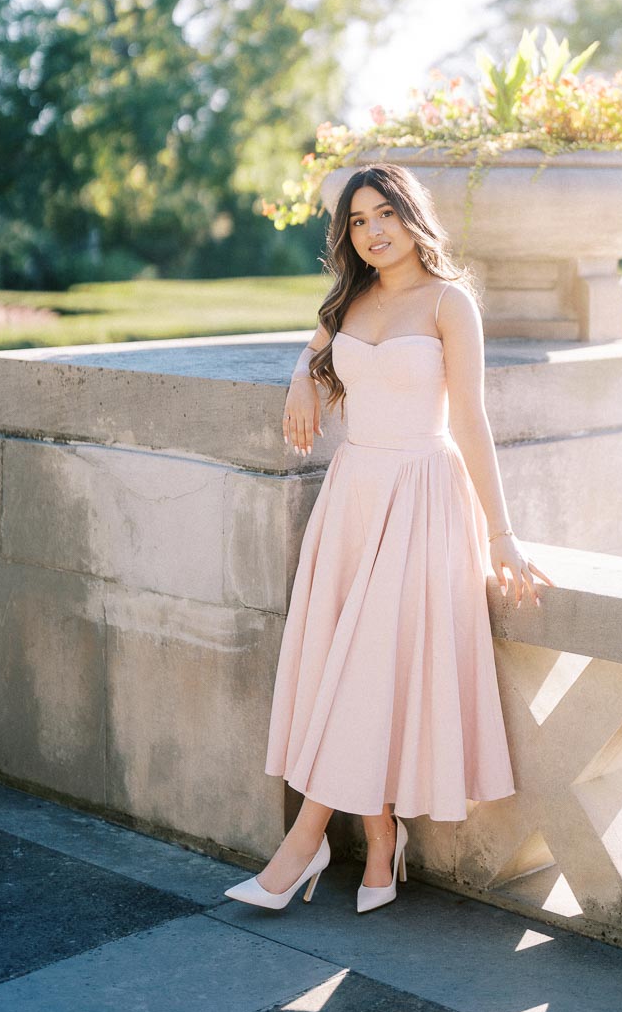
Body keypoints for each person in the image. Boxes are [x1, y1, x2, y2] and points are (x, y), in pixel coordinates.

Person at [225, 163, 554, 915]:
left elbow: (470, 418)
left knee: (367, 665)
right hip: (353, 496)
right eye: (357, 221)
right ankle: (381, 841)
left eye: (385, 215)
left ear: (413, 217)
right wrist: (302, 376)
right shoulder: (350, 300)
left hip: (424, 497)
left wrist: (501, 534)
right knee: (350, 665)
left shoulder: (449, 301)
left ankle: (301, 849)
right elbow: (314, 347)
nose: (372, 232)